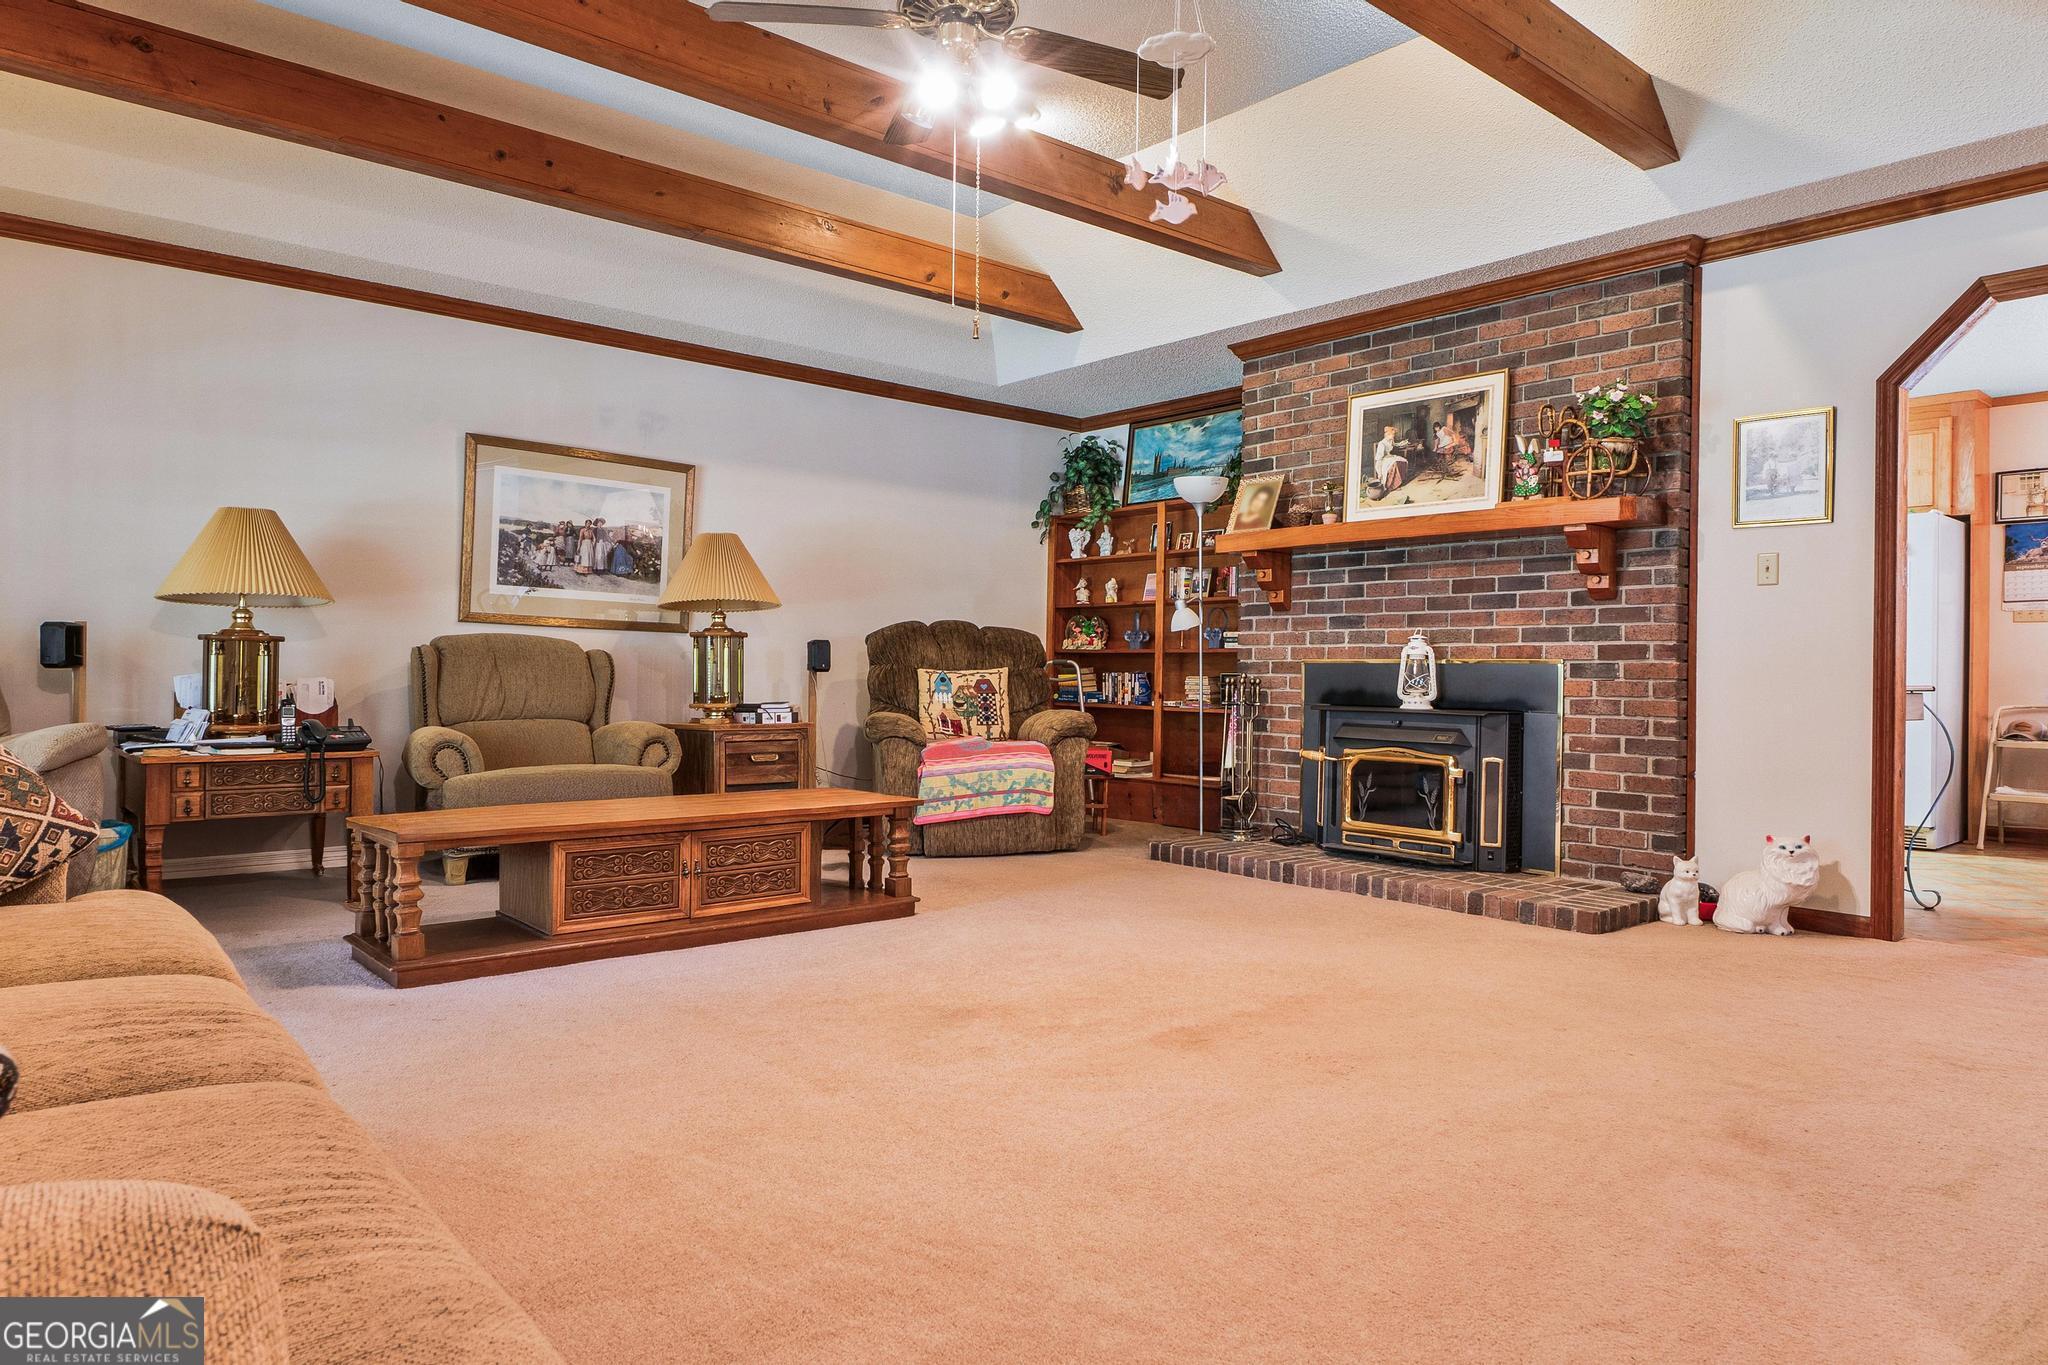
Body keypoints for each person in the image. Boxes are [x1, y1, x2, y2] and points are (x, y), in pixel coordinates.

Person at [1374, 422, 1408, 492]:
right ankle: (1391, 485)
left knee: (1403, 461)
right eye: (1392, 434)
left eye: (1393, 434)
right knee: (1395, 463)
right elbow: (1379, 458)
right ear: (1388, 435)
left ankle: (1399, 481)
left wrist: (1402, 443)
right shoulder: (1382, 444)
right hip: (1384, 459)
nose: (1393, 436)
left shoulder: (1391, 440)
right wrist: (1379, 472)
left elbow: (1395, 444)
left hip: (1390, 457)